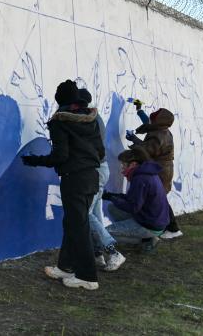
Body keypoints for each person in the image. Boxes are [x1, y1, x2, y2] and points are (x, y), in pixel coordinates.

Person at [21, 80, 103, 290]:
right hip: (92, 177)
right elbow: (100, 152)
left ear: (60, 99)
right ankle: (65, 266)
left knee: (79, 225)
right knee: (74, 223)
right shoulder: (90, 119)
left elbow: (60, 156)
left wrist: (35, 160)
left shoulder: (60, 122)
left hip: (74, 179)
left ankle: (87, 276)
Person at [78, 88, 125, 271]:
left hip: (94, 171)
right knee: (95, 214)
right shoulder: (94, 117)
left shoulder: (89, 119)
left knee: (85, 214)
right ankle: (98, 255)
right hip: (99, 170)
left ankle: (112, 252)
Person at [126, 101, 181, 238]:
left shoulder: (159, 135)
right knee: (160, 198)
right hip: (163, 168)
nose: (150, 120)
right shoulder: (160, 129)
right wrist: (139, 110)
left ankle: (173, 228)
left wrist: (134, 140)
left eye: (154, 118)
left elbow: (147, 150)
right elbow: (148, 122)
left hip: (161, 170)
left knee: (160, 199)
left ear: (159, 122)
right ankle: (167, 227)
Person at [102, 147, 170, 253]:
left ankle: (147, 240)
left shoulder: (140, 179)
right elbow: (133, 199)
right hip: (154, 220)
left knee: (106, 233)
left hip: (150, 225)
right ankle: (148, 238)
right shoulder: (146, 173)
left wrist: (112, 198)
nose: (122, 168)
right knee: (112, 208)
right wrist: (113, 196)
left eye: (123, 164)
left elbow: (133, 207)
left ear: (133, 164)